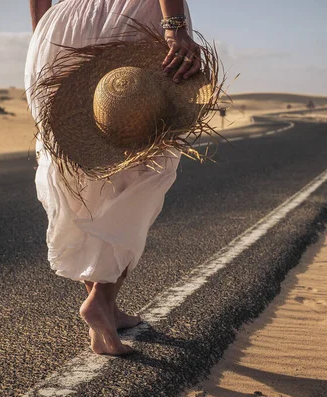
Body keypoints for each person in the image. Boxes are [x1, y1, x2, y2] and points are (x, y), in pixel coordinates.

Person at [26, 0, 204, 356]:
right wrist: (175, 25)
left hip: (59, 28)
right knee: (141, 170)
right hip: (130, 14)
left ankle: (106, 308)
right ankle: (101, 299)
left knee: (77, 170)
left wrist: (43, 31)